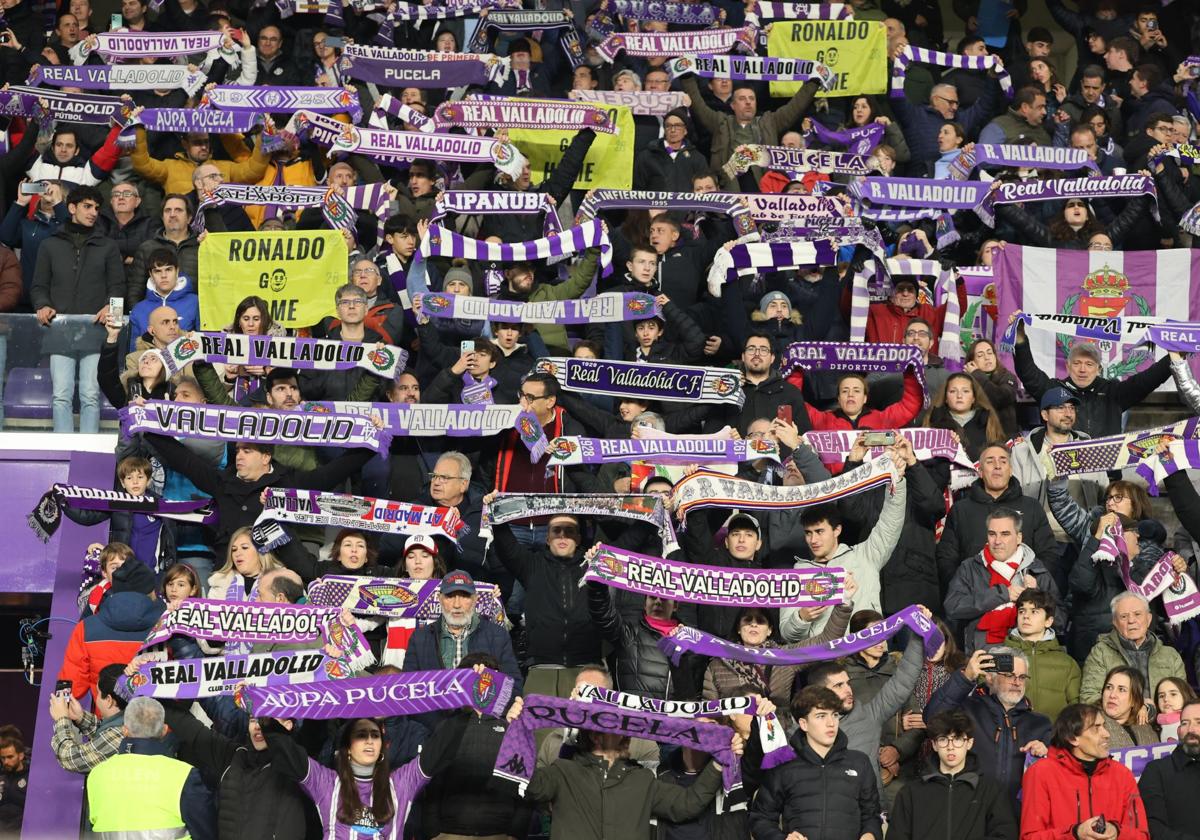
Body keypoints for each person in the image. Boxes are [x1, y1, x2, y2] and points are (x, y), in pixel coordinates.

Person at [521, 698, 740, 840]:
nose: (627, 735)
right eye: (618, 729)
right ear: (595, 736)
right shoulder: (562, 772)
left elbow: (687, 804)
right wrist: (519, 730)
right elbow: (527, 784)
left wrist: (718, 763)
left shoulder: (642, 779)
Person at [777, 449, 908, 641]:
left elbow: (891, 522)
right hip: (821, 664)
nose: (813, 540)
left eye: (820, 532)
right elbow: (787, 635)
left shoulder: (865, 556)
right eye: (808, 533)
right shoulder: (797, 573)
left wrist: (897, 481)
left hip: (865, 657)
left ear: (837, 530)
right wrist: (801, 618)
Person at [30, 184, 125, 433]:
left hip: (96, 333)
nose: (93, 212)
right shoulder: (49, 245)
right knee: (60, 395)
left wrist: (112, 311)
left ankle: (88, 453)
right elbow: (38, 286)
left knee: (90, 395)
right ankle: (63, 451)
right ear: (71, 208)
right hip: (59, 331)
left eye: (96, 207)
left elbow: (118, 288)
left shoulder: (108, 246)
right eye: (87, 206)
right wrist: (42, 305)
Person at [488, 502, 598, 696]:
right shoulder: (532, 566)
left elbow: (629, 544)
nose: (562, 536)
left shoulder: (594, 566)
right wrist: (494, 510)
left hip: (587, 669)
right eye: (556, 531)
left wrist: (654, 514)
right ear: (547, 538)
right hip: (541, 669)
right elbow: (506, 544)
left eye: (569, 531)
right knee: (539, 727)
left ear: (579, 538)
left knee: (588, 728)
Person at [924, 647, 1052, 812]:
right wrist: (967, 676)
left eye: (1022, 677)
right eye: (1009, 675)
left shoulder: (1040, 724)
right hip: (968, 811)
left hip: (1016, 816)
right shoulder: (965, 710)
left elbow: (1056, 778)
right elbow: (932, 717)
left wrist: (1045, 755)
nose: (1017, 682)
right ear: (990, 677)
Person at [750, 685, 883, 840]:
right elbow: (760, 819)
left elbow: (872, 815)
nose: (831, 723)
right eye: (821, 716)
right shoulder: (784, 766)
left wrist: (870, 834)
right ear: (803, 724)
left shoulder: (859, 762)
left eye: (834, 715)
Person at [936, 443, 1060, 601]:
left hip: (1024, 601)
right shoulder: (961, 510)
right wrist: (965, 589)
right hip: (976, 602)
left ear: (1011, 470)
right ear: (980, 472)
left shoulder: (1031, 507)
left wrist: (1034, 582)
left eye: (1003, 461)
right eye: (990, 461)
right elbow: (946, 559)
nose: (997, 466)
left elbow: (1049, 553)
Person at [1009, 321, 1172, 439]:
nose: (1082, 369)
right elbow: (1028, 373)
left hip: (1108, 476)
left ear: (1098, 369)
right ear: (1067, 366)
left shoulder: (1113, 392)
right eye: (1077, 363)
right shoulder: (1053, 390)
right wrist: (1020, 339)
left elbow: (1148, 380)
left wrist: (1174, 357)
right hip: (1065, 474)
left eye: (1089, 364)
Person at [1019, 703, 1150, 840]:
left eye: (1104, 726)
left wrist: (1117, 832)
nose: (1107, 734)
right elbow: (1030, 837)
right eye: (1096, 728)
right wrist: (1075, 834)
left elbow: (1141, 836)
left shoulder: (1122, 775)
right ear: (1072, 738)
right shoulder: (1040, 773)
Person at [945, 508, 1066, 654]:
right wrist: (1001, 594)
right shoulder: (969, 568)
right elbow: (952, 607)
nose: (997, 541)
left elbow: (1060, 622)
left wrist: (1038, 594)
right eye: (992, 534)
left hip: (1028, 659)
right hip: (981, 655)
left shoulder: (1037, 570)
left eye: (1005, 534)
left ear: (1019, 537)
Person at [887, 709, 1017, 840]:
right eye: (943, 739)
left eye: (958, 739)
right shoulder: (910, 793)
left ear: (969, 743)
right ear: (934, 745)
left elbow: (1005, 835)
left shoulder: (990, 791)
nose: (951, 746)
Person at [85, 697, 199, 838]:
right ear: (164, 730)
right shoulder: (185, 775)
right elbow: (205, 831)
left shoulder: (96, 775)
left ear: (125, 731)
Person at [58, 559, 163, 702]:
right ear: (151, 590)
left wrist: (63, 714)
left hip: (107, 719)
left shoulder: (86, 628)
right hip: (158, 719)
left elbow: (71, 688)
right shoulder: (168, 625)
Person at [1080, 592, 1186, 707]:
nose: (1131, 621)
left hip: (1164, 723)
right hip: (1118, 723)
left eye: (1137, 614)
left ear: (1149, 619)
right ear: (1115, 622)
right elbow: (1089, 698)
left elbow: (1183, 698)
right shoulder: (1101, 652)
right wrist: (1131, 712)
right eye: (1124, 616)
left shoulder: (1170, 655)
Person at [1005, 589, 1081, 721]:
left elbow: (1076, 709)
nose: (1026, 616)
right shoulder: (1001, 657)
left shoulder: (1067, 663)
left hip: (1054, 738)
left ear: (1049, 621)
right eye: (1022, 611)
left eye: (1034, 611)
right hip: (1010, 737)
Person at [1138, 700, 1200, 839]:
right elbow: (1152, 827)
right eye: (1184, 723)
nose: (1191, 729)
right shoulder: (1156, 771)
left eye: (1198, 722)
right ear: (1178, 731)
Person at [1098, 666, 1158, 748]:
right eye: (1109, 687)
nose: (1112, 695)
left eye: (1121, 689)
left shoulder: (1146, 728)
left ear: (1135, 699)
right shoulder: (1090, 725)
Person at [0, 728, 27, 834]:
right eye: (3, 758)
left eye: (10, 757)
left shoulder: (32, 777)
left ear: (20, 756)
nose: (6, 761)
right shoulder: (1, 776)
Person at [1152, 677, 1197, 742]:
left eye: (1173, 694)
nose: (1166, 699)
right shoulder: (1153, 726)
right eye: (1161, 696)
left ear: (1185, 695)